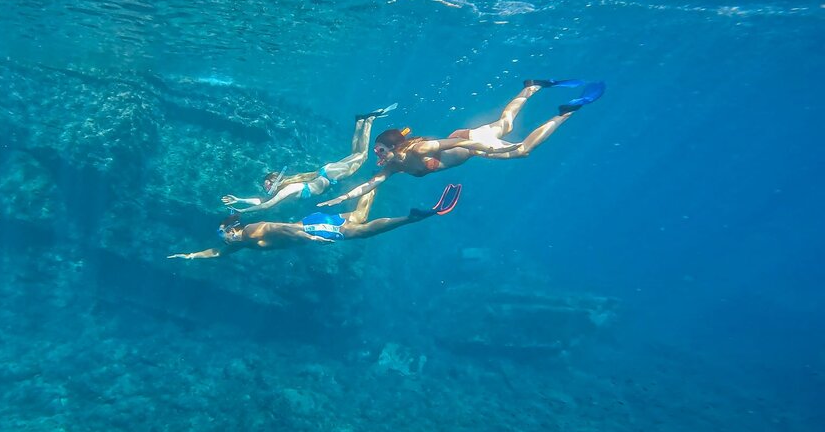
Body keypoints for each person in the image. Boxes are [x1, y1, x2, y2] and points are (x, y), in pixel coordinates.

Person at [318, 79, 604, 207]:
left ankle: (565, 113)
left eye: (380, 150)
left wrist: (496, 149)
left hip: (470, 143)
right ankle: (530, 87)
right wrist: (342, 198)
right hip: (469, 145)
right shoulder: (395, 167)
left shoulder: (421, 149)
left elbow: (459, 145)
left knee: (522, 150)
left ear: (394, 148)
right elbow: (371, 184)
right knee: (506, 125)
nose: (377, 156)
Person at [168, 184, 461, 260]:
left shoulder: (252, 231)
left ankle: (410, 218)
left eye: (225, 235)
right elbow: (218, 253)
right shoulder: (239, 242)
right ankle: (377, 183)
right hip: (311, 222)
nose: (225, 240)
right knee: (358, 216)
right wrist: (192, 255)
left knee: (360, 232)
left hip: (310, 227)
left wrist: (311, 237)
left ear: (232, 229)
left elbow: (282, 229)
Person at [221, 104, 397, 214]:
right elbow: (263, 200)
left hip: (331, 176)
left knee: (362, 156)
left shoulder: (289, 188)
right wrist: (240, 199)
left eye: (266, 183)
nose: (265, 187)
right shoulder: (286, 186)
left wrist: (243, 211)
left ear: (274, 180)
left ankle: (370, 120)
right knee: (355, 154)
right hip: (328, 173)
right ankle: (360, 122)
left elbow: (267, 206)